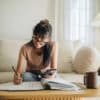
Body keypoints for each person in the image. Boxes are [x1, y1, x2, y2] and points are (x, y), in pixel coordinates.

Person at [13, 19, 58, 84]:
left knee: (55, 77)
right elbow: (18, 72)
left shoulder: (53, 45)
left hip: (47, 75)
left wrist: (51, 75)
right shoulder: (25, 48)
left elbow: (54, 69)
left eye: (42, 42)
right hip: (32, 75)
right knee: (25, 76)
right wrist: (17, 77)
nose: (37, 43)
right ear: (33, 35)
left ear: (48, 39)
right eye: (35, 39)